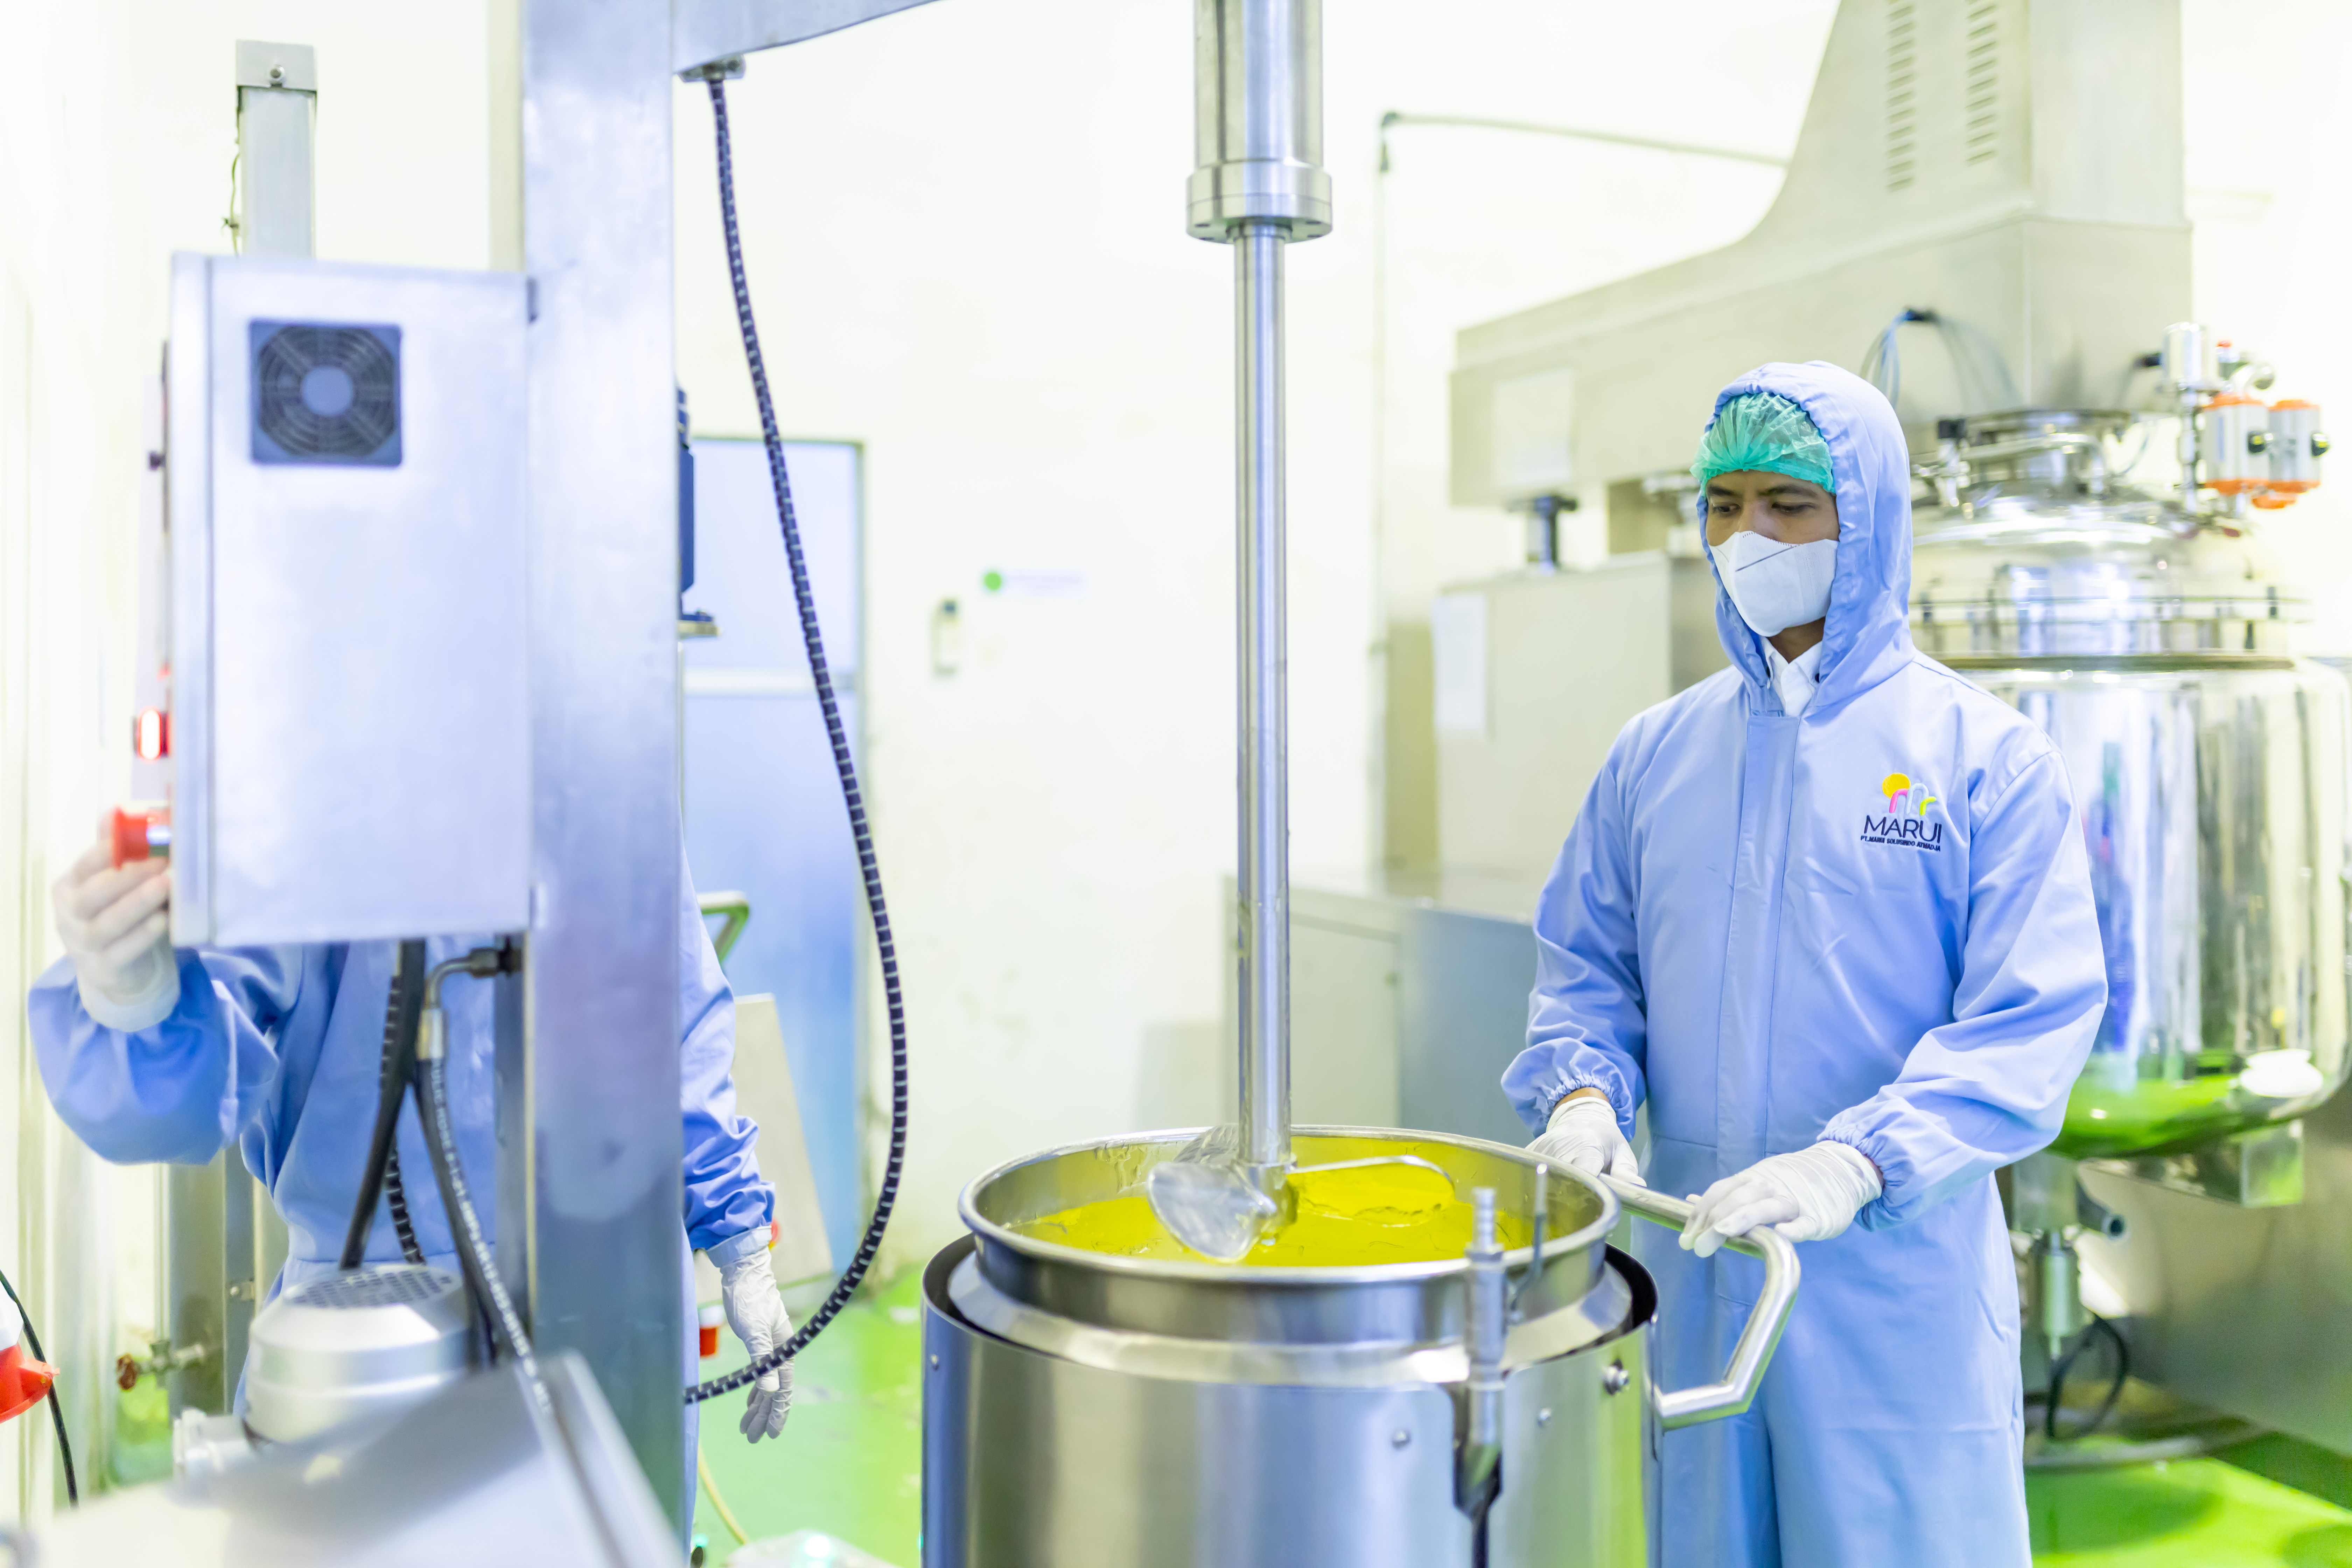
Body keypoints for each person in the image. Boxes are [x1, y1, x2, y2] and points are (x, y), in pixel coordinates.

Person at [1505, 362, 2105, 1567]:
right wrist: (1581, 1099)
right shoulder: (1655, 754)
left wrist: (1858, 1163)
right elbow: (1589, 969)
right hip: (1694, 1268)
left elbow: (2029, 1023)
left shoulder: (1982, 758)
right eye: (1724, 505)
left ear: (1866, 518)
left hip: (1891, 1293)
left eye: (1789, 506)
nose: (1749, 536)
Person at [31, 825, 797, 1464]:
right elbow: (180, 1095)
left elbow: (678, 1011)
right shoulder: (307, 790)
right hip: (370, 1325)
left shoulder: (601, 751)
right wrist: (136, 999)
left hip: (613, 1308)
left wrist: (740, 1241)